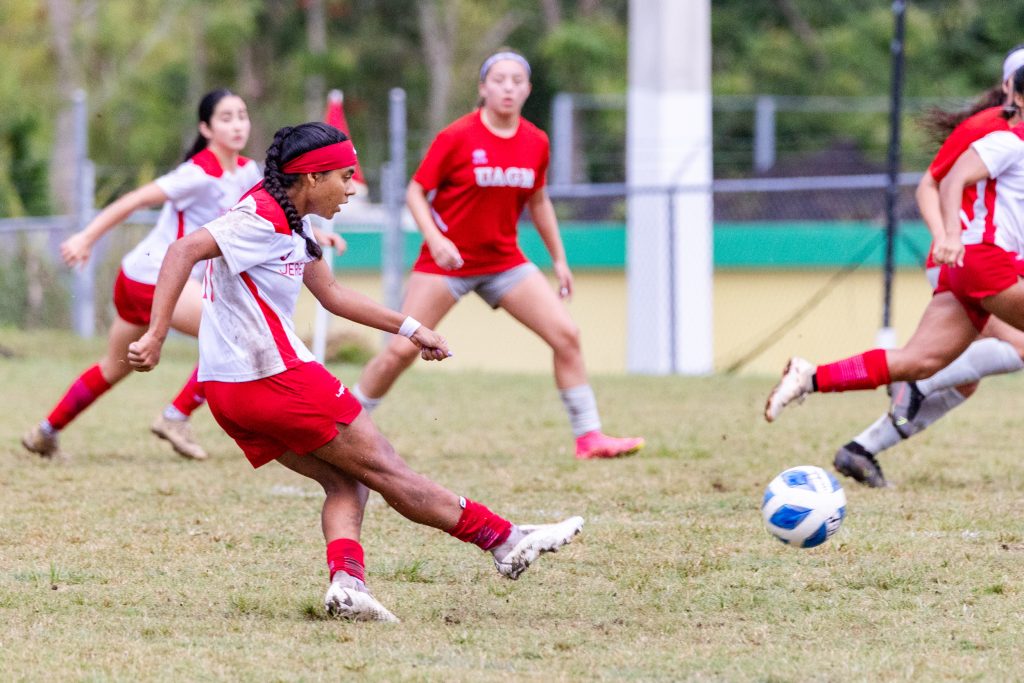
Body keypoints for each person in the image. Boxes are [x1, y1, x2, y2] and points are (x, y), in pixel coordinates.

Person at [127, 122, 584, 622]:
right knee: (386, 468)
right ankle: (505, 540)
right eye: (345, 176)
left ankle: (348, 586)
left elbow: (335, 297)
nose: (352, 187)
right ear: (311, 176)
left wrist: (413, 327)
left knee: (348, 483)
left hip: (228, 393)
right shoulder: (262, 217)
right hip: (275, 378)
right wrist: (155, 333)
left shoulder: (287, 216)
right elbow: (181, 250)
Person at [20, 89, 346, 462]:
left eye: (242, 115)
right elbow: (134, 200)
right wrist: (86, 237)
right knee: (232, 333)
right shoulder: (198, 173)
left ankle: (45, 431)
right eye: (226, 118)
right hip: (154, 276)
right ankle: (175, 416)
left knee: (116, 365)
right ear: (205, 128)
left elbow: (270, 216)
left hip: (138, 275)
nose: (238, 124)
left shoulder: (247, 172)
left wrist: (315, 235)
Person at [349, 49, 643, 460]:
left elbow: (538, 202)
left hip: (504, 262)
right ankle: (342, 427)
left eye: (517, 81)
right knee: (400, 350)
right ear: (483, 88)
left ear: (528, 90)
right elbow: (416, 191)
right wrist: (435, 238)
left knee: (567, 336)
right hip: (446, 264)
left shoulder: (536, 141)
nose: (508, 87)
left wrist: (559, 259)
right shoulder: (457, 136)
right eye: (499, 80)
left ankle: (589, 437)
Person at [765, 66, 1024, 459]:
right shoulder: (1008, 140)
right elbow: (949, 181)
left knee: (919, 362)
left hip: (971, 267)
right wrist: (950, 234)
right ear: (1016, 97)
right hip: (984, 260)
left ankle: (809, 377)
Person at [832, 45, 1024, 488]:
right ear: (1011, 87)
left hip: (990, 258)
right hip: (968, 258)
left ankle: (860, 450)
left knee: (966, 377)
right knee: (1014, 348)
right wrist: (945, 236)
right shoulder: (987, 126)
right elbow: (932, 183)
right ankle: (917, 384)